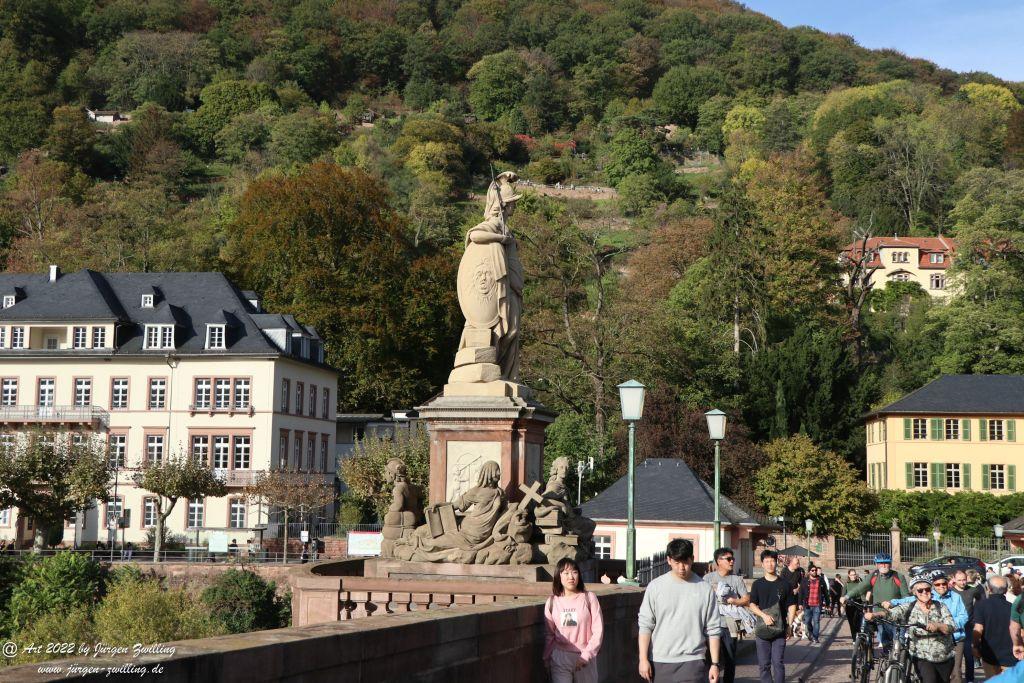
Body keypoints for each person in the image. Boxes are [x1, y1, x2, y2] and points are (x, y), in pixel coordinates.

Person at [638, 538, 722, 683]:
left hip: (693, 661)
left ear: (692, 559)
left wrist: (715, 664)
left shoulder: (705, 589)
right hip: (660, 660)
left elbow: (713, 629)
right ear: (669, 560)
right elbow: (645, 625)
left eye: (685, 562)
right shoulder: (655, 587)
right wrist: (643, 659)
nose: (681, 567)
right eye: (677, 562)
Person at [867, 574, 955, 683]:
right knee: (930, 680)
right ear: (914, 592)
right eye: (920, 590)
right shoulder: (909, 607)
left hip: (944, 655)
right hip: (921, 656)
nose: (924, 592)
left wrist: (938, 626)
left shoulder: (941, 607)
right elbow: (891, 613)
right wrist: (875, 615)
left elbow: (951, 626)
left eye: (927, 589)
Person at [885, 570, 968, 683]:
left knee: (955, 674)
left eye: (944, 583)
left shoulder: (954, 598)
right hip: (924, 650)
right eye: (937, 584)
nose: (941, 586)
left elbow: (963, 617)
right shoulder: (922, 598)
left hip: (953, 640)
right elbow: (905, 602)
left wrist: (942, 626)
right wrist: (889, 604)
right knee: (930, 678)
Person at [544, 557, 603, 683]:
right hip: (560, 658)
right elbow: (550, 634)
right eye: (566, 573)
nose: (571, 577)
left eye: (574, 572)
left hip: (584, 656)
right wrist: (547, 658)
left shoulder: (589, 598)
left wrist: (586, 655)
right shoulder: (552, 602)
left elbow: (598, 631)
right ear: (559, 576)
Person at [842, 553, 909, 653]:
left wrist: (894, 604)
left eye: (886, 563)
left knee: (898, 646)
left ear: (890, 564)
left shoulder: (898, 577)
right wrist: (847, 596)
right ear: (876, 564)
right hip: (879, 615)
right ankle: (886, 659)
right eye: (880, 563)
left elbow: (906, 597)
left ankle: (898, 660)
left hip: (896, 616)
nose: (883, 565)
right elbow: (860, 588)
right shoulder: (873, 576)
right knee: (885, 644)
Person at [748, 550, 797, 683]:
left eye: (772, 561)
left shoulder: (785, 584)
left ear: (777, 563)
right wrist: (763, 615)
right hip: (762, 630)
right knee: (764, 665)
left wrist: (790, 625)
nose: (770, 564)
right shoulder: (757, 584)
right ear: (762, 564)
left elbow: (792, 605)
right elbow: (752, 604)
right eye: (767, 561)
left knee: (778, 663)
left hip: (780, 630)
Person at [704, 547, 751, 683]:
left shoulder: (736, 579)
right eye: (729, 559)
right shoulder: (708, 578)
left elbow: (746, 599)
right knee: (711, 659)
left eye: (733, 559)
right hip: (711, 625)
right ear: (719, 561)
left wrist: (734, 601)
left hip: (729, 625)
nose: (732, 561)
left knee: (730, 659)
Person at [973, 575, 1017, 677]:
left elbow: (979, 628)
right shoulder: (1012, 607)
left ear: (988, 588)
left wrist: (975, 646)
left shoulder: (981, 605)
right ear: (1006, 590)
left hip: (990, 655)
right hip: (1010, 656)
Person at [952, 569, 986, 683]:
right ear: (954, 579)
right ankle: (956, 678)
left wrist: (978, 616)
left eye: (964, 580)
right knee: (956, 657)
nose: (962, 582)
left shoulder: (972, 590)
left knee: (969, 654)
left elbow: (982, 601)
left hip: (969, 626)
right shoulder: (950, 592)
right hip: (955, 628)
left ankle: (970, 679)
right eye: (959, 580)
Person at [798, 564, 830, 644]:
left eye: (815, 570)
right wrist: (800, 603)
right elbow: (801, 592)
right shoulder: (804, 580)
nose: (814, 572)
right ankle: (811, 633)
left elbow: (825, 592)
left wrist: (827, 603)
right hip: (807, 605)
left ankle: (815, 637)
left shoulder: (821, 580)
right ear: (809, 572)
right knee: (807, 621)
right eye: (812, 570)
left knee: (816, 621)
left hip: (817, 604)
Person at [843, 569, 865, 637]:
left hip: (858, 603)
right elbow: (843, 594)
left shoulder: (859, 582)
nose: (853, 576)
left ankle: (858, 635)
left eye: (854, 574)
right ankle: (854, 638)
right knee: (851, 623)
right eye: (852, 575)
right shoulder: (847, 583)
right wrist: (842, 604)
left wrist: (865, 603)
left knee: (857, 621)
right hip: (849, 604)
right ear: (849, 575)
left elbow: (862, 594)